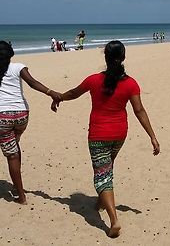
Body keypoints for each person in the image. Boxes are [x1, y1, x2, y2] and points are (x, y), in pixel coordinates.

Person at [51, 40, 160, 238]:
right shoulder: (130, 83)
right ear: (123, 58)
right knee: (106, 168)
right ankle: (100, 203)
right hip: (119, 134)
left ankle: (114, 220)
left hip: (98, 135)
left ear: (106, 58)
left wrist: (58, 97)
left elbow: (74, 93)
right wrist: (152, 136)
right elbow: (139, 111)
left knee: (101, 176)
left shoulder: (93, 80)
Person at [0, 40, 61, 204]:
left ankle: (21, 196)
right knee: (15, 144)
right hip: (22, 115)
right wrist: (51, 92)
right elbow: (32, 83)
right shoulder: (18, 67)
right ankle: (16, 185)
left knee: (11, 155)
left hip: (2, 117)